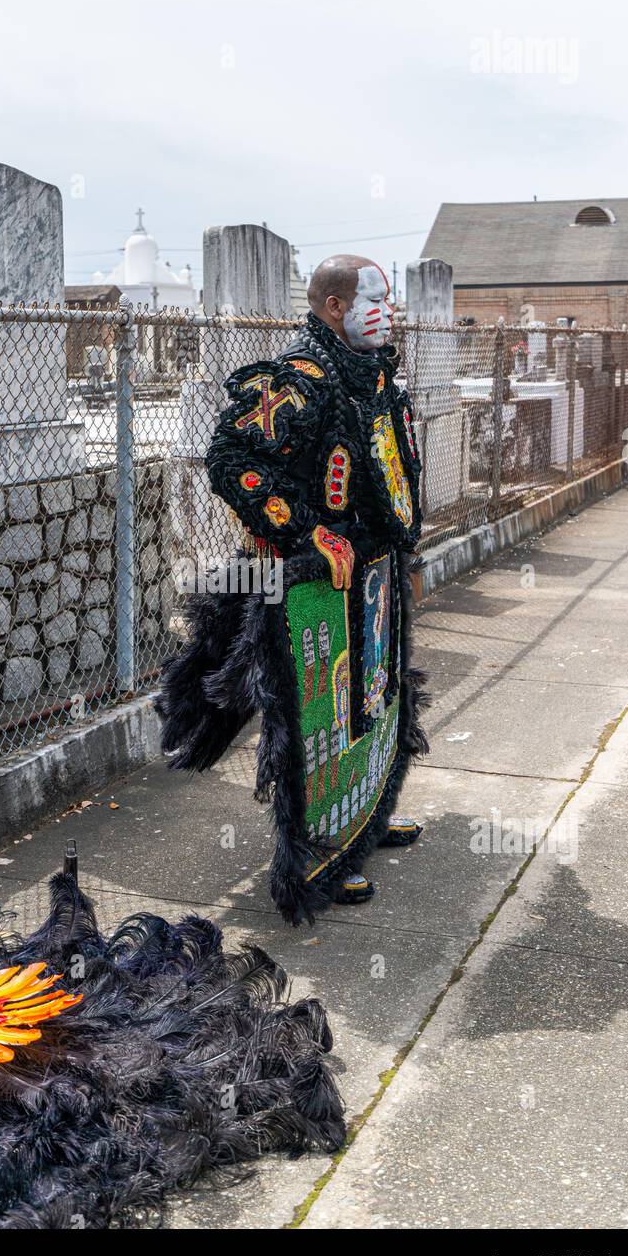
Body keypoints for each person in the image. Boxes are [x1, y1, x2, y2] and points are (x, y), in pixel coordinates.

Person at [158, 255, 428, 924]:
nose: (387, 311)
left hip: (370, 574)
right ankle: (313, 857)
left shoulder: (369, 371)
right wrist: (308, 533)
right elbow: (232, 461)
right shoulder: (299, 377)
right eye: (374, 298)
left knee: (374, 695)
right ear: (334, 306)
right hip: (311, 583)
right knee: (314, 717)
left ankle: (364, 821)